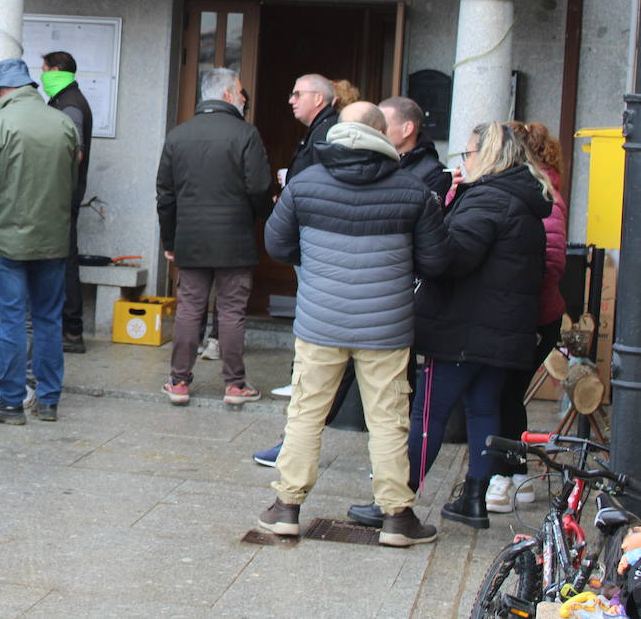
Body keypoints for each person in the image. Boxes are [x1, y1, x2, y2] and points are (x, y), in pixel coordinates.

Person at [258, 103, 451, 547]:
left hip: (320, 322)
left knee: (306, 413)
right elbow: (437, 260)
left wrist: (317, 262)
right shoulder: (412, 190)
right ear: (382, 134)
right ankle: (397, 517)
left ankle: (286, 508)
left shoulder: (305, 183)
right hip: (386, 326)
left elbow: (277, 244)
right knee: (388, 421)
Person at [346, 122, 552, 531]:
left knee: (428, 415)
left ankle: (394, 501)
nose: (463, 162)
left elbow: (450, 259)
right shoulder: (522, 198)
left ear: (488, 155)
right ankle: (473, 500)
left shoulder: (487, 199)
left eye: (468, 153)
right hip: (498, 331)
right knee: (483, 410)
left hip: (463, 328)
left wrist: (433, 211)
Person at [0, 58, 79, 425]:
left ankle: (11, 401)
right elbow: (71, 181)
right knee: (48, 319)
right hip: (53, 240)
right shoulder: (63, 123)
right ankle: (48, 400)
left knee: (10, 320)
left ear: (0, 91)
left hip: (5, 238)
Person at [157, 67, 270, 407]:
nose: (243, 98)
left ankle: (179, 381)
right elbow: (259, 187)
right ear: (226, 94)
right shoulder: (246, 134)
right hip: (235, 238)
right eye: (239, 91)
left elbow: (165, 195)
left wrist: (170, 241)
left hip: (190, 238)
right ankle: (235, 385)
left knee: (190, 308)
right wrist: (260, 218)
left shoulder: (178, 136)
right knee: (232, 311)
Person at [485, 121, 567, 513]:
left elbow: (551, 263)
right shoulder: (536, 188)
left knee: (505, 393)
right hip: (527, 314)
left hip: (532, 316)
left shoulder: (541, 192)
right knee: (507, 393)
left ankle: (508, 476)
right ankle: (516, 476)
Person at [42, 50, 93, 355]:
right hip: (61, 193)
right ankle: (65, 328)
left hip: (62, 195)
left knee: (65, 261)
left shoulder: (70, 105)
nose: (42, 75)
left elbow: (76, 152)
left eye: (45, 69)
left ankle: (72, 331)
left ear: (57, 70)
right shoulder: (63, 100)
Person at [379, 96, 452, 201]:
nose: (378, 131)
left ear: (407, 129)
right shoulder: (372, 160)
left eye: (383, 125)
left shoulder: (434, 174)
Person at [286, 73, 337, 181]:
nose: (291, 101)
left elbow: (323, 182)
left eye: (298, 94)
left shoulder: (327, 132)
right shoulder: (320, 127)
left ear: (318, 98)